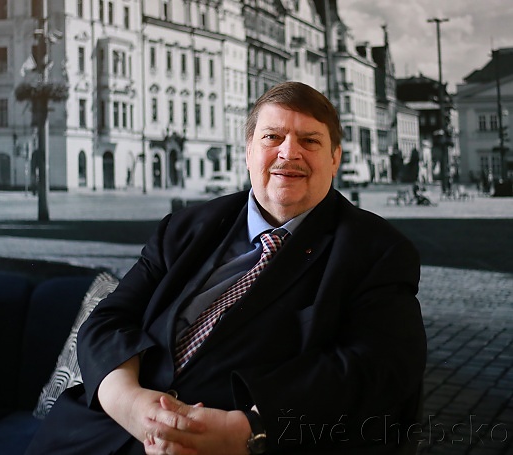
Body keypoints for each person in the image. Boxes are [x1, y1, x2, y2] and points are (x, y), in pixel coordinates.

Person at [25, 82, 426, 455]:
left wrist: (251, 430)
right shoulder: (185, 228)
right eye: (272, 137)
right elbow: (110, 317)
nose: (289, 153)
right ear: (249, 150)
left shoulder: (377, 251)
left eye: (310, 140)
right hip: (104, 433)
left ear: (335, 157)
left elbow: (381, 367)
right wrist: (129, 402)